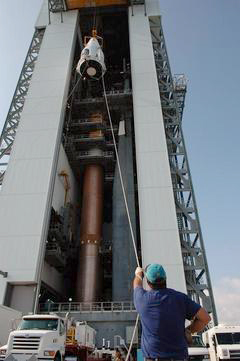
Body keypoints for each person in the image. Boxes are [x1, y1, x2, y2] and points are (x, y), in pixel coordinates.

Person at [133, 264, 211, 361]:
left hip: (154, 358)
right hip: (179, 357)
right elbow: (205, 318)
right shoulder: (180, 298)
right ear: (165, 278)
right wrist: (189, 330)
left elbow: (137, 285)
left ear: (148, 282)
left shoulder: (142, 299)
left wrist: (138, 275)